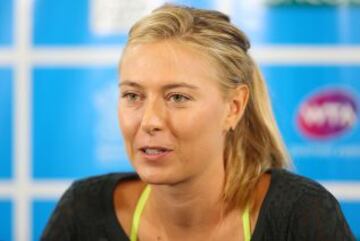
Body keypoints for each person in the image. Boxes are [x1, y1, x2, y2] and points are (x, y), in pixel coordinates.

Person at [41, 4, 355, 241]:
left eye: (177, 97)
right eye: (133, 96)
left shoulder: (298, 214)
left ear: (234, 107)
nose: (149, 121)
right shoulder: (83, 211)